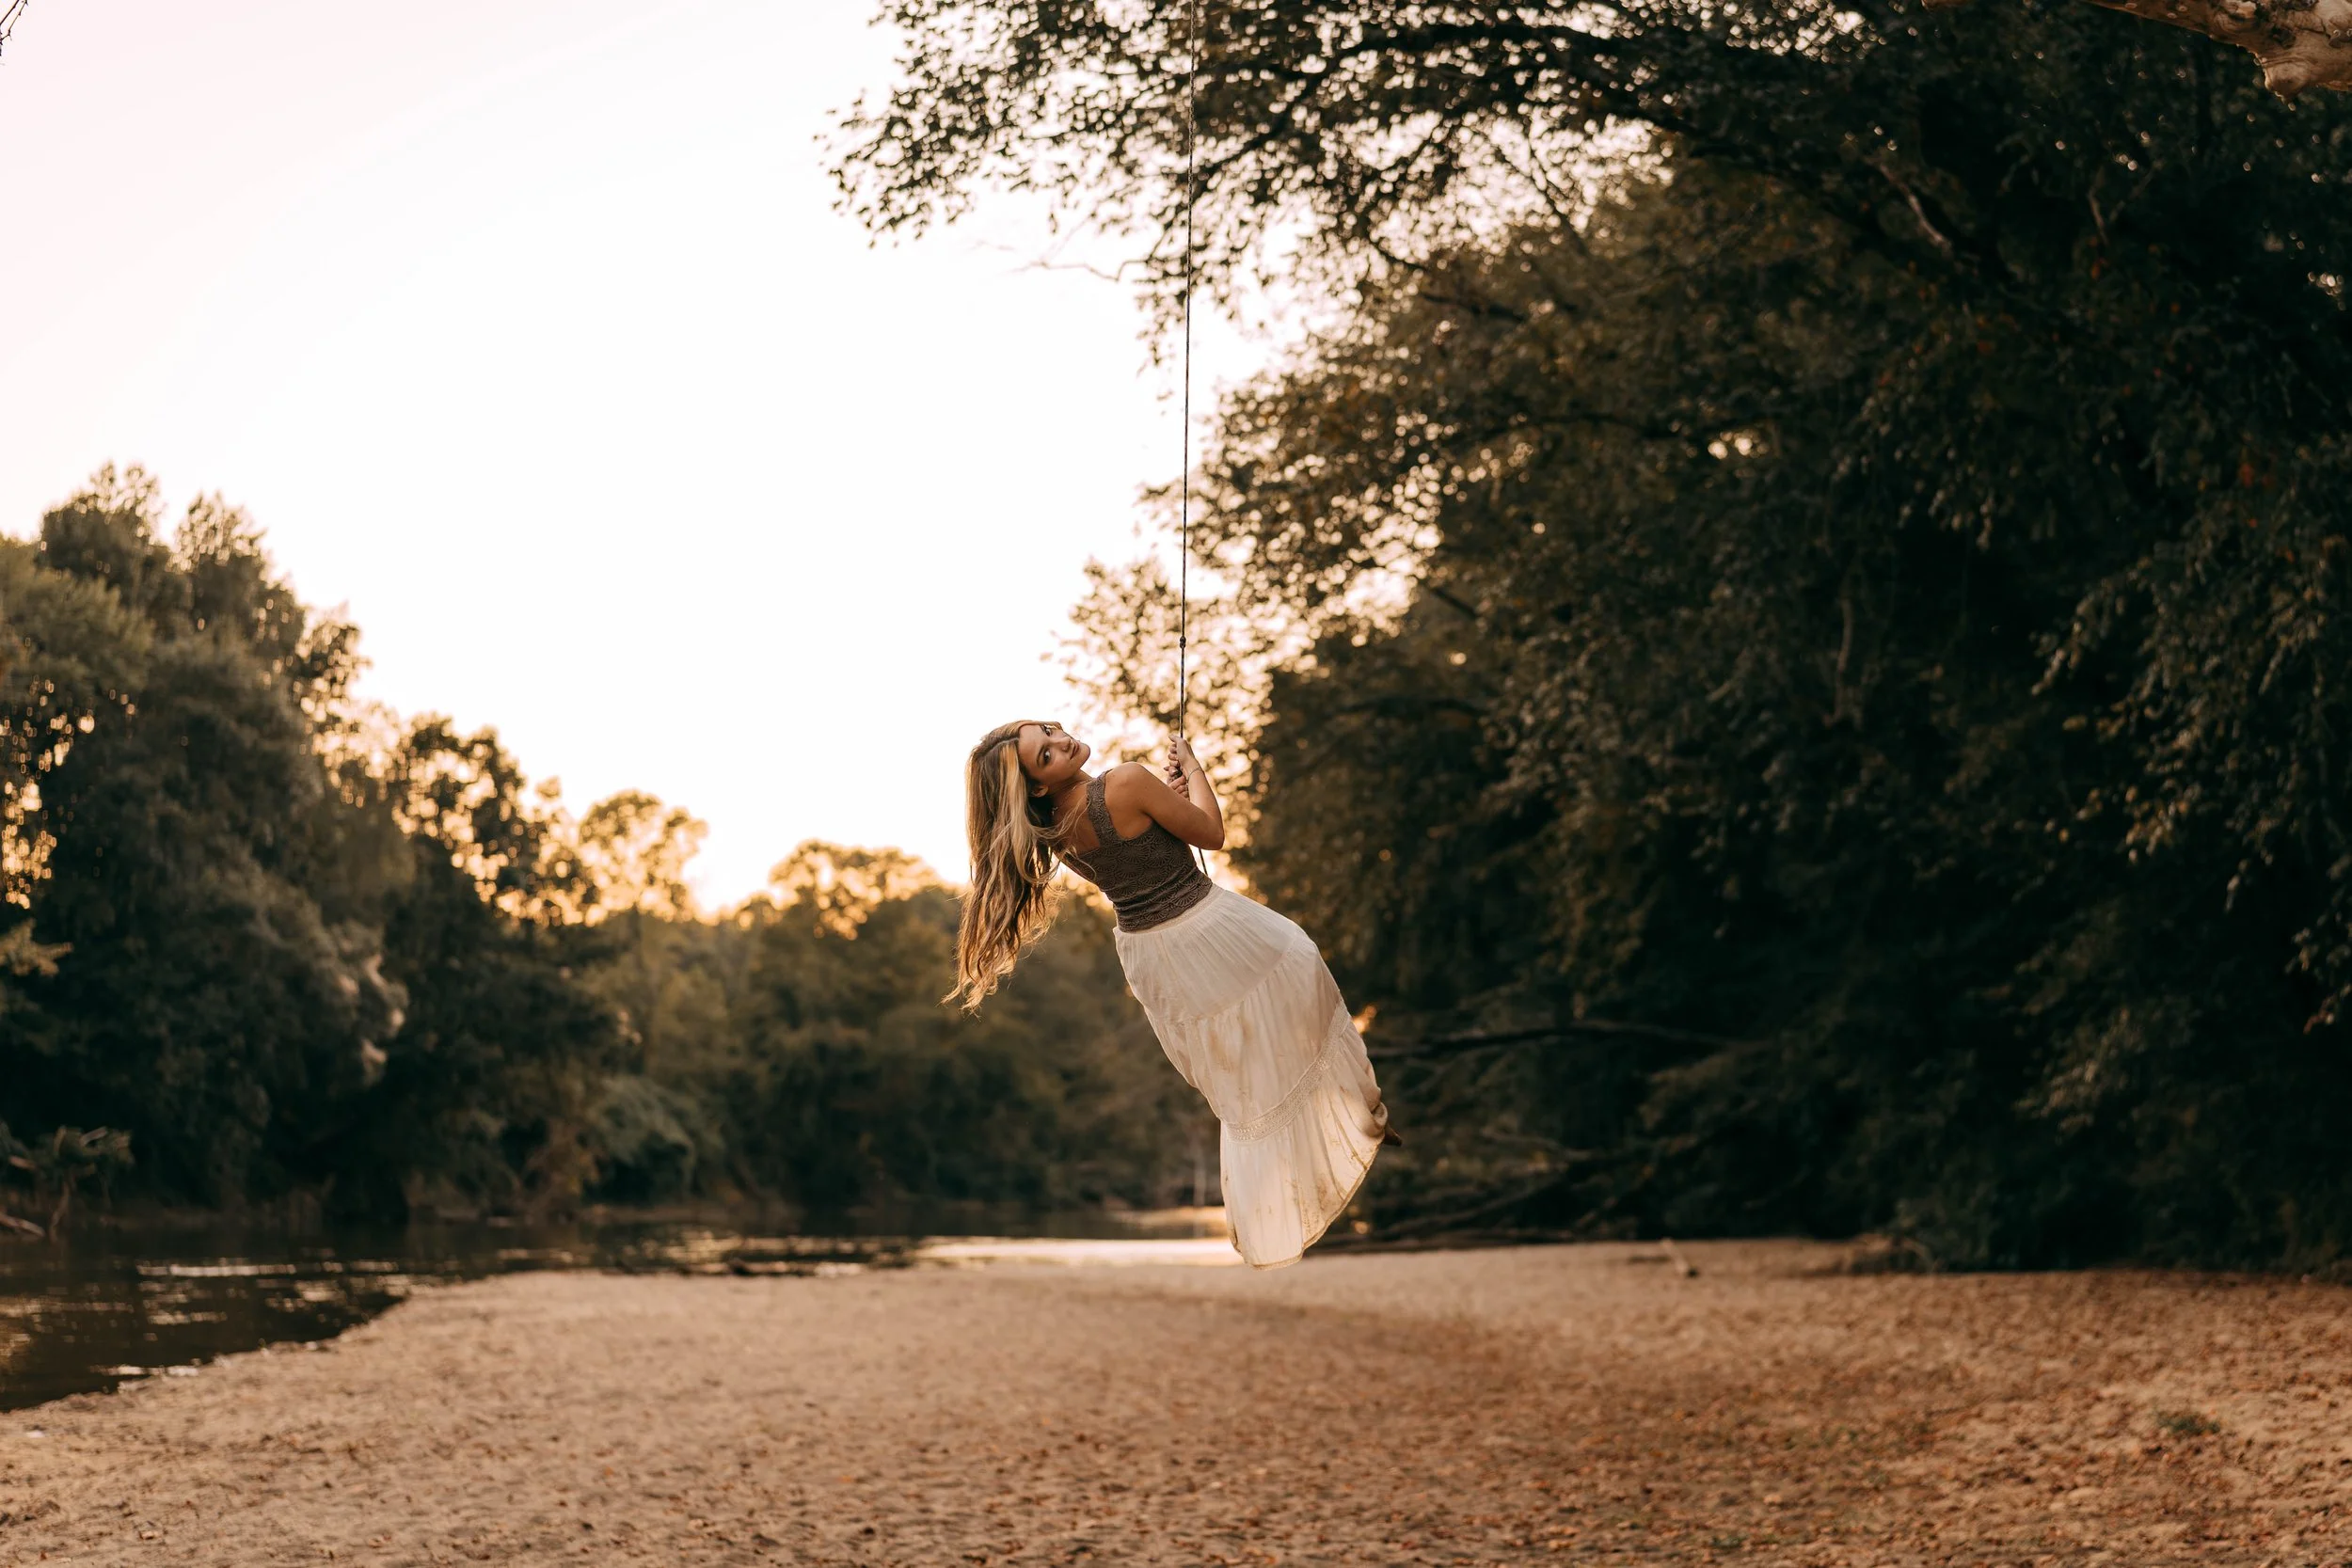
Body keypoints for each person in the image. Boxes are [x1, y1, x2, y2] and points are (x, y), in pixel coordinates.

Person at [952, 719, 1397, 1269]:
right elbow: (1211, 834)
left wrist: (1166, 803)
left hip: (1151, 953)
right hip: (1198, 921)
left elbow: (1138, 836)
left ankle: (1342, 1121)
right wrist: (1191, 769)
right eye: (1046, 754)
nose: (1062, 739)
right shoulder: (1126, 781)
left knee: (1236, 1062)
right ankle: (1356, 1106)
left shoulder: (1049, 831)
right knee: (1299, 962)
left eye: (1049, 729)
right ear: (1038, 785)